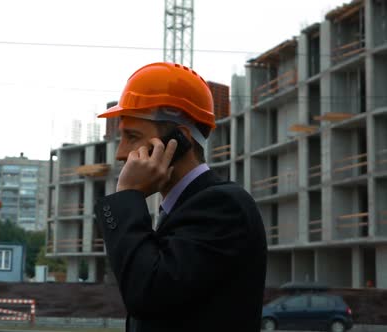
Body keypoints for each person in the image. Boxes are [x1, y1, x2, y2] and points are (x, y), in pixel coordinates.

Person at [94, 62, 267, 332]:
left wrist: (128, 195)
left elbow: (147, 293)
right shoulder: (186, 207)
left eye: (132, 136)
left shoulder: (223, 207)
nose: (121, 153)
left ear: (180, 139)